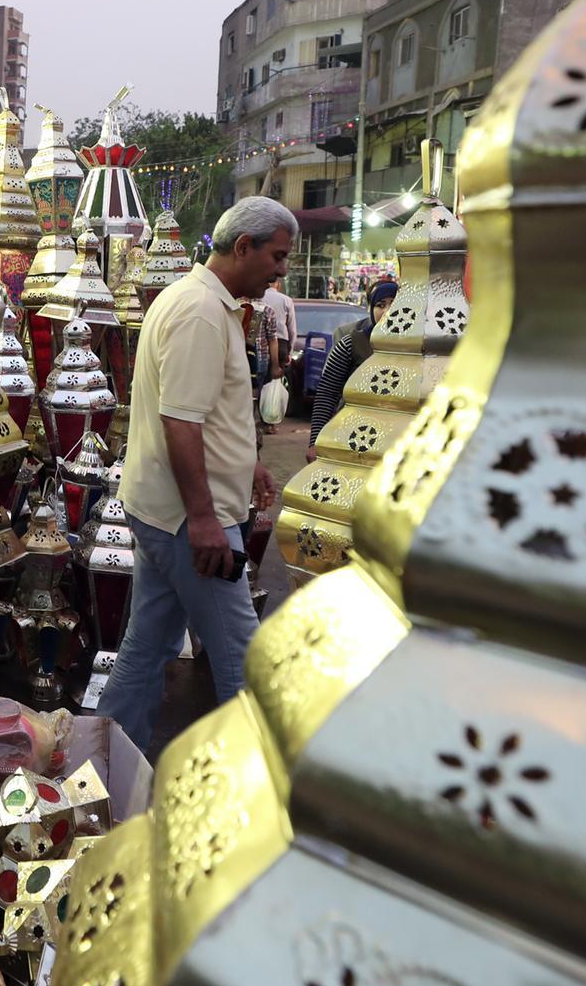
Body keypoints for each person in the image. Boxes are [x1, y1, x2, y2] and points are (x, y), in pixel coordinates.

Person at [97, 196, 294, 751]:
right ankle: (251, 798)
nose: (282, 269)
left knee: (147, 648)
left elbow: (206, 411)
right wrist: (205, 521)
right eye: (277, 256)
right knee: (243, 664)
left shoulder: (206, 303)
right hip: (188, 520)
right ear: (243, 247)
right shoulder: (201, 312)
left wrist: (245, 458)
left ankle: (104, 774)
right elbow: (180, 423)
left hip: (171, 511)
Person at [306, 279, 399, 462]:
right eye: (380, 305)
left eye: (394, 304)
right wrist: (315, 441)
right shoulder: (352, 344)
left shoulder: (414, 350)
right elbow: (327, 393)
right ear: (372, 310)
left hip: (396, 442)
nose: (387, 311)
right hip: (354, 438)